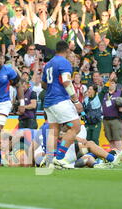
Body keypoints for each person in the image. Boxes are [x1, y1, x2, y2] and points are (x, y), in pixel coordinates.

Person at [41, 40, 83, 169]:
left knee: (53, 131)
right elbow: (66, 82)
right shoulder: (64, 62)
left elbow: (43, 84)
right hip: (60, 101)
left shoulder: (48, 64)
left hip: (48, 102)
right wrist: (76, 101)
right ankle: (59, 158)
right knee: (75, 127)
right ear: (67, 50)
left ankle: (49, 161)